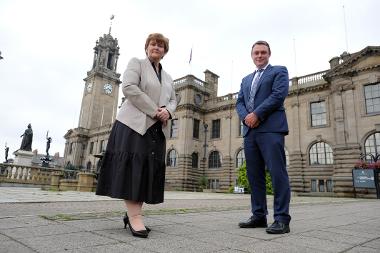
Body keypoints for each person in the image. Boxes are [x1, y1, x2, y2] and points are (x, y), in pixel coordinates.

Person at [96, 33, 177, 238]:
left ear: (165, 51)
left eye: (160, 46)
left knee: (145, 171)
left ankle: (133, 213)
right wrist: (156, 110)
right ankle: (135, 217)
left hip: (156, 129)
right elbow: (129, 88)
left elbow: (174, 100)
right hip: (133, 125)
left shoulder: (168, 77)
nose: (156, 47)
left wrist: (168, 111)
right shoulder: (137, 64)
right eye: (153, 44)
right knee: (134, 169)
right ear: (146, 47)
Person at [236, 40, 291, 234]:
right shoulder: (245, 79)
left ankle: (282, 219)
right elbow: (240, 102)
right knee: (254, 176)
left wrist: (256, 114)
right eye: (256, 53)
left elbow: (278, 95)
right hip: (251, 132)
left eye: (263, 52)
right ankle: (259, 215)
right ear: (252, 55)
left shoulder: (279, 71)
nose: (259, 55)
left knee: (277, 173)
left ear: (269, 54)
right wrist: (246, 118)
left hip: (271, 129)